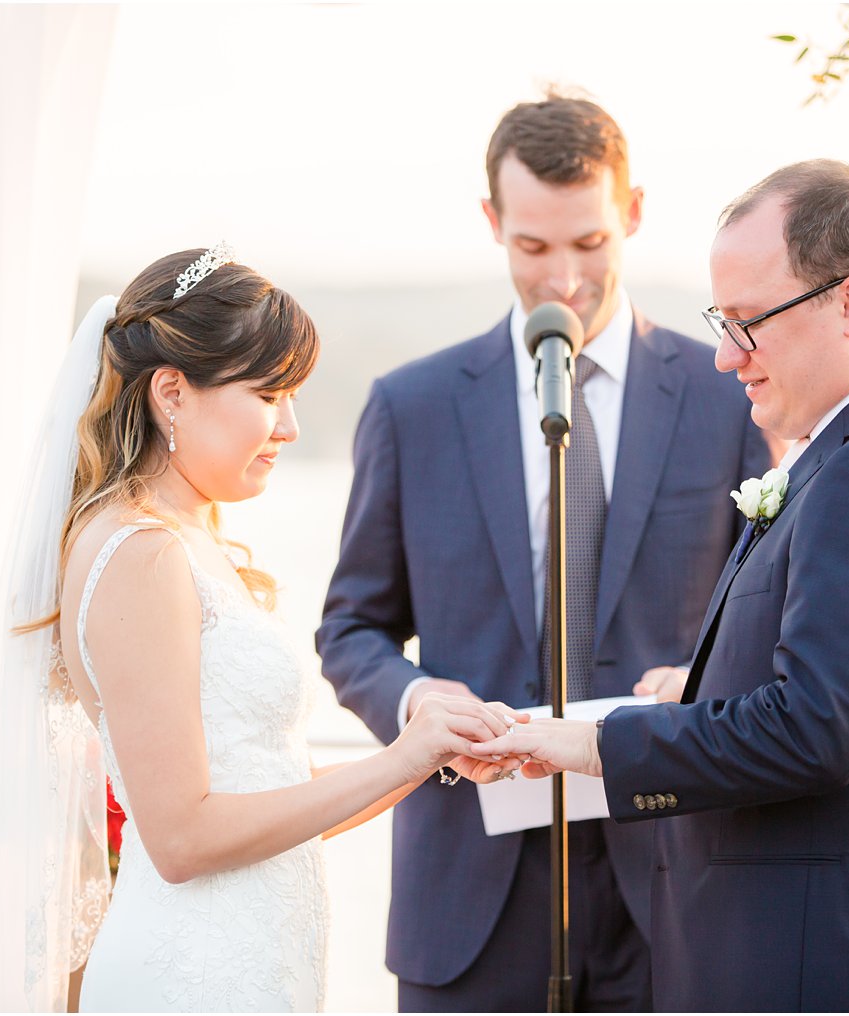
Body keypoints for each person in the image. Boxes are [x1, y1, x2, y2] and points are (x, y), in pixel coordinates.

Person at [0, 246, 523, 1013]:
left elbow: (265, 793)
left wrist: (423, 755)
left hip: (252, 959)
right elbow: (180, 837)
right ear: (172, 392)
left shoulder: (182, 536)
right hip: (194, 972)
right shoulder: (140, 550)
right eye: (270, 394)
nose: (291, 427)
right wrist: (406, 752)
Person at [472, 160, 849, 1011]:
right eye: (721, 322)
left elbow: (813, 730)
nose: (726, 356)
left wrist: (593, 745)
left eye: (750, 322)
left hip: (834, 962)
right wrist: (702, 688)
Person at [316, 94, 767, 1011]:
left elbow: (769, 609)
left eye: (590, 243)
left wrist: (703, 679)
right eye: (533, 248)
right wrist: (414, 696)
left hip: (675, 878)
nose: (563, 277)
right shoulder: (414, 405)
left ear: (633, 212)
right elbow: (351, 626)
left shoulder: (732, 396)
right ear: (492, 224)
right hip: (470, 885)